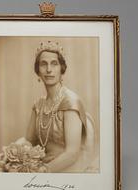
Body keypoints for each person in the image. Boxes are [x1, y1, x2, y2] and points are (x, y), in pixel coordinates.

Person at [26, 40, 97, 173]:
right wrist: (11, 153)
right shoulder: (38, 105)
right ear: (38, 71)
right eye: (43, 64)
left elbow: (72, 154)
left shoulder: (70, 102)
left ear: (61, 69)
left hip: (67, 170)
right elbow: (29, 141)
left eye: (54, 64)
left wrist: (42, 171)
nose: (48, 70)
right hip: (42, 166)